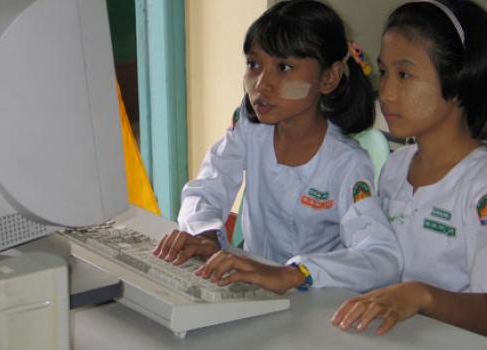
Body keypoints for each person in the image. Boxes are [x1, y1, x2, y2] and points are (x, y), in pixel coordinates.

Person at [153, 0, 402, 294]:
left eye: (283, 67)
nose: (261, 84)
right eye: (253, 64)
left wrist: (295, 274)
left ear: (328, 77)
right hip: (249, 288)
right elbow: (207, 187)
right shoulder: (249, 129)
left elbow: (382, 258)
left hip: (313, 300)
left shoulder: (346, 162)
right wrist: (205, 235)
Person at [331, 0, 487, 337]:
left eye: (404, 75)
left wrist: (420, 296)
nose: (387, 93)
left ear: (459, 80)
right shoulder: (395, 165)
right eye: (385, 72)